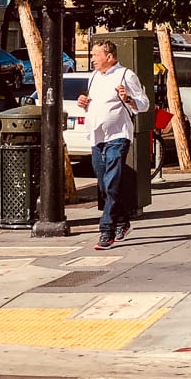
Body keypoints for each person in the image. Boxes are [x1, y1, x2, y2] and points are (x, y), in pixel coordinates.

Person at [78, 39, 150, 250]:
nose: (91, 59)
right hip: (96, 137)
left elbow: (144, 104)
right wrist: (85, 103)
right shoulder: (93, 77)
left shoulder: (125, 75)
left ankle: (106, 231)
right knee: (104, 185)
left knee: (111, 182)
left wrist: (127, 99)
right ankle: (122, 221)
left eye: (94, 55)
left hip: (118, 136)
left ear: (108, 56)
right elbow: (94, 103)